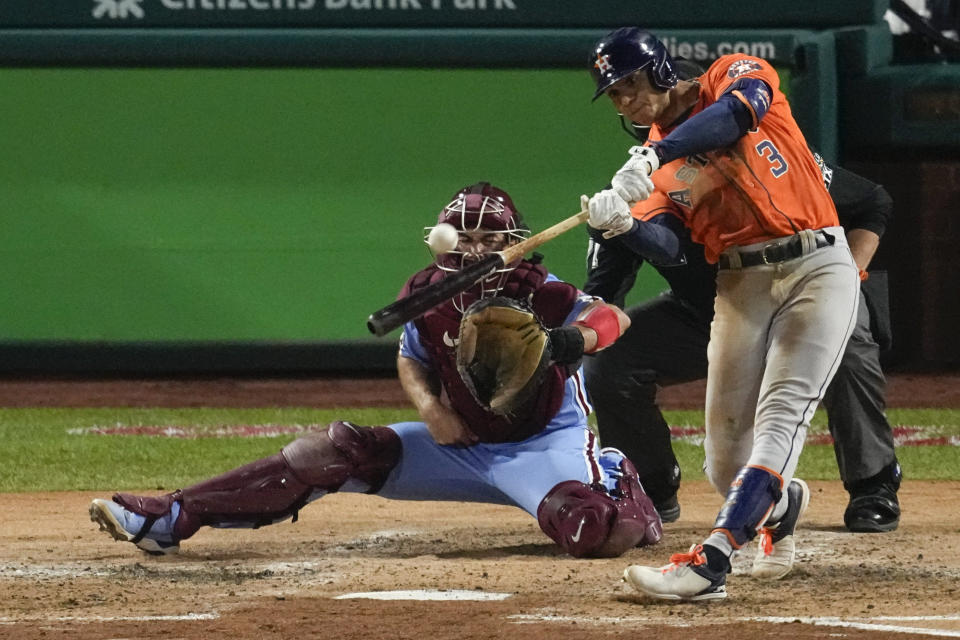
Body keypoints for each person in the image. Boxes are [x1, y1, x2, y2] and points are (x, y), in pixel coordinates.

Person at [88, 181, 662, 559]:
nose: (475, 247)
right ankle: (172, 518)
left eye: (490, 237)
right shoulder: (426, 293)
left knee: (595, 533)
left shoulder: (537, 289)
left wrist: (571, 339)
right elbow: (410, 356)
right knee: (328, 452)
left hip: (540, 445)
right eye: (465, 235)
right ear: (444, 241)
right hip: (461, 445)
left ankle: (615, 478)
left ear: (511, 243)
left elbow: (614, 319)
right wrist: (432, 410)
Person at [581, 27, 861, 600]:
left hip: (817, 263)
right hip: (740, 283)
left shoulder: (730, 74)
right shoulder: (651, 170)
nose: (626, 98)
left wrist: (657, 150)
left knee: (780, 420)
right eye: (614, 92)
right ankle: (782, 507)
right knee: (725, 460)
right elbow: (670, 247)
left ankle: (710, 562)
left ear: (660, 68)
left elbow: (736, 116)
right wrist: (625, 225)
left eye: (631, 82)